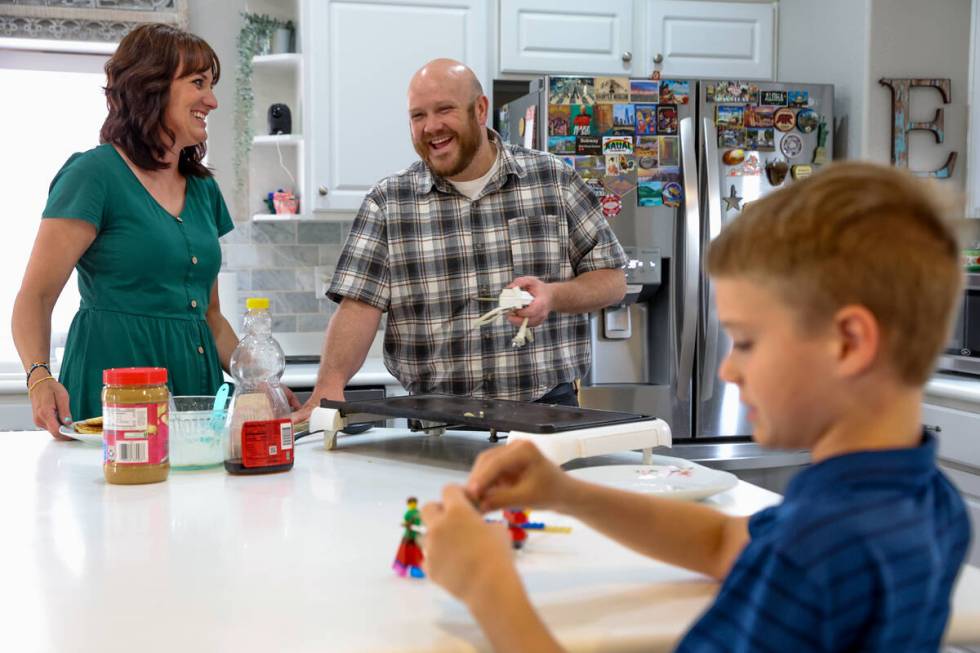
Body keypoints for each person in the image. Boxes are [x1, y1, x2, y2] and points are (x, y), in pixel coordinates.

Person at [418, 161, 972, 652]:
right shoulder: (922, 499)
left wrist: (488, 587)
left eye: (747, 342)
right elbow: (723, 542)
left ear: (849, 343)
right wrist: (563, 492)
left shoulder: (819, 552)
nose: (728, 370)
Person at [294, 59, 626, 419]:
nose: (431, 127)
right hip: (437, 423)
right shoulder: (388, 202)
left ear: (480, 109)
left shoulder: (554, 180)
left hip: (546, 412)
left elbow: (612, 281)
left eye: (444, 110)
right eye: (417, 116)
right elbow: (358, 307)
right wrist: (328, 386)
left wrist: (552, 295)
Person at [12, 24, 263, 437]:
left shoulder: (202, 189)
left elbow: (212, 315)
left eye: (212, 85)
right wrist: (39, 378)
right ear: (152, 86)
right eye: (198, 83)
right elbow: (35, 297)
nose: (212, 101)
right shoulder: (93, 175)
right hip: (115, 392)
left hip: (195, 395)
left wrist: (259, 382)